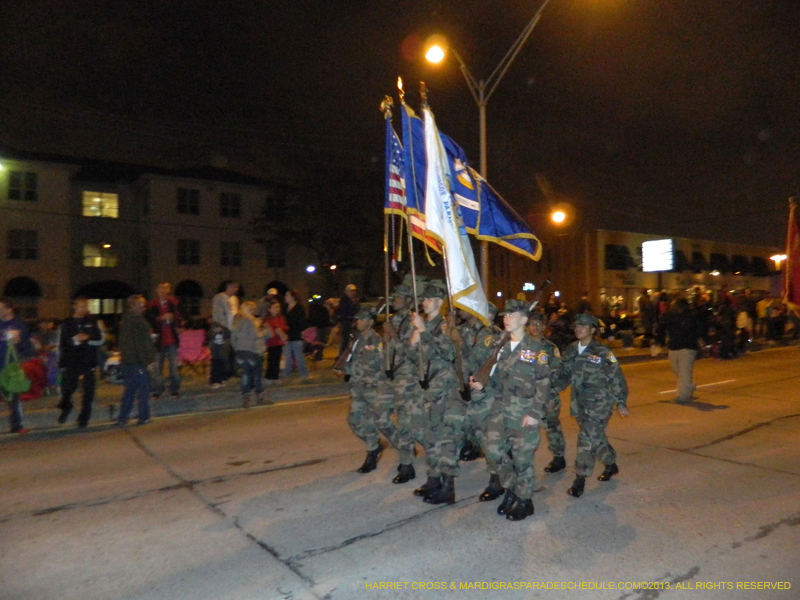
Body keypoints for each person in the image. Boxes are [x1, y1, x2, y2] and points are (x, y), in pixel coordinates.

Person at [469, 299, 551, 521]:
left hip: (524, 411)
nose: (505, 319)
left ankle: (525, 501)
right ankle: (512, 488)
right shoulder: (501, 347)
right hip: (500, 408)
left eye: (511, 315)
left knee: (522, 459)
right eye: (504, 315)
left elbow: (544, 384)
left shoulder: (536, 350)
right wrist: (482, 384)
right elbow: (495, 378)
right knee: (493, 450)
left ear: (524, 319)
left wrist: (535, 413)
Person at [555, 313, 629, 498]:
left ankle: (580, 478)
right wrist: (549, 390)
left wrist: (620, 401)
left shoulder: (603, 352)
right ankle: (610, 464)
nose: (578, 328)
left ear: (593, 329)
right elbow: (563, 375)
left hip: (600, 403)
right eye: (576, 325)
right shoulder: (571, 350)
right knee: (596, 438)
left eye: (583, 325)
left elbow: (616, 376)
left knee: (586, 440)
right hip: (579, 404)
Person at [408, 281, 465, 505]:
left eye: (429, 299)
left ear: (440, 302)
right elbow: (414, 359)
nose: (424, 301)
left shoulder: (444, 326)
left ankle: (448, 487)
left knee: (446, 439)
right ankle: (433, 478)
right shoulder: (421, 326)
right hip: (425, 389)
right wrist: (414, 341)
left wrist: (424, 332)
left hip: (445, 390)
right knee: (427, 435)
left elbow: (449, 351)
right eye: (424, 298)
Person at [339, 307, 401, 474]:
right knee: (355, 421)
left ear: (370, 322)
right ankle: (375, 446)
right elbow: (352, 360)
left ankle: (402, 448)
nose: (357, 321)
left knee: (382, 423)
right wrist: (345, 369)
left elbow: (386, 368)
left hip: (374, 389)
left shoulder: (378, 341)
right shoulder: (356, 340)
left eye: (361, 319)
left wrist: (383, 390)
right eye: (357, 319)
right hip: (358, 388)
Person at [381, 281, 422, 484]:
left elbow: (409, 351)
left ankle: (407, 465)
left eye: (398, 297)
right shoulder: (394, 319)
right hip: (391, 376)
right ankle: (407, 452)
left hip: (407, 378)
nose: (394, 300)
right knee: (381, 417)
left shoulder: (411, 321)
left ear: (408, 301)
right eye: (394, 297)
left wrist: (393, 334)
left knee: (405, 423)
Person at [526, 310, 567, 474]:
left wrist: (551, 395)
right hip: (526, 397)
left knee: (552, 427)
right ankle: (525, 463)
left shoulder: (550, 348)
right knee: (526, 431)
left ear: (543, 327)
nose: (535, 327)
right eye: (532, 324)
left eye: (538, 324)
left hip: (547, 396)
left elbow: (558, 374)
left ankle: (558, 457)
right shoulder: (521, 346)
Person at [57, 297, 105, 428]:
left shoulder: (91, 321)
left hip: (88, 360)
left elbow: (100, 338)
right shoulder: (67, 323)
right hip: (71, 361)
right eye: (81, 306)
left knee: (89, 391)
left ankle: (84, 418)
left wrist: (87, 337)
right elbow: (63, 343)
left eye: (85, 306)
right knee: (67, 389)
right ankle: (66, 407)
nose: (83, 309)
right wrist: (74, 341)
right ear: (74, 307)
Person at [117, 295, 156, 426]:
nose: (144, 307)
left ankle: (123, 417)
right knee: (143, 390)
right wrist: (147, 361)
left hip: (130, 361)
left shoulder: (127, 321)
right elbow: (140, 344)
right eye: (141, 304)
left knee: (130, 390)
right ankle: (143, 416)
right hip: (136, 362)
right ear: (133, 306)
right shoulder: (136, 322)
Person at [0, 298, 35, 434]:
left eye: (0, 308)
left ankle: (17, 425)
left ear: (8, 309)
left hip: (10, 366)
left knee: (13, 396)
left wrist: (18, 341)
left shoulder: (19, 325)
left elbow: (26, 346)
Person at [231, 301, 273, 408]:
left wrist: (237, 348)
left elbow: (233, 338)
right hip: (252, 351)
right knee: (256, 375)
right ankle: (259, 397)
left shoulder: (237, 321)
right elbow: (255, 335)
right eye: (252, 309)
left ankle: (246, 397)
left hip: (240, 352)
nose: (254, 311)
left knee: (246, 374)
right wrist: (262, 330)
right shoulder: (250, 321)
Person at [660, 298, 702, 403]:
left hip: (688, 347)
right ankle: (689, 386)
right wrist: (658, 340)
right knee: (676, 369)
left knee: (684, 371)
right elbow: (661, 327)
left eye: (675, 305)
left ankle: (682, 396)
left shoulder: (691, 316)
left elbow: (698, 329)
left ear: (682, 306)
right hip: (674, 346)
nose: (673, 307)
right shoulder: (669, 316)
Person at [146, 282, 183, 399]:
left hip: (171, 340)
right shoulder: (152, 305)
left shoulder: (173, 303)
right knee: (157, 368)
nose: (163, 291)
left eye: (165, 289)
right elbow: (149, 319)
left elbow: (181, 316)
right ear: (157, 291)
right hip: (158, 340)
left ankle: (174, 389)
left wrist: (177, 322)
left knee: (174, 367)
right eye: (160, 289)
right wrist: (161, 318)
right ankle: (158, 389)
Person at [212, 280, 240, 378]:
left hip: (233, 328)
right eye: (234, 287)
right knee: (222, 352)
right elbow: (216, 313)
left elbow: (235, 313)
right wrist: (219, 326)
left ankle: (232, 371)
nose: (236, 289)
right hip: (223, 328)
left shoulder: (235, 299)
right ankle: (222, 374)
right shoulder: (219, 297)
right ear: (228, 286)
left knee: (233, 351)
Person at [283, 289, 309, 379]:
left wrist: (302, 332)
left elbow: (302, 321)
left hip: (296, 334)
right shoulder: (285, 308)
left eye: (287, 295)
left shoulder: (299, 307)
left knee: (299, 356)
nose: (285, 297)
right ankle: (287, 374)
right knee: (287, 357)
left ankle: (304, 373)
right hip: (286, 335)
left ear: (293, 297)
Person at [263, 301, 288, 386]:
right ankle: (269, 376)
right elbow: (275, 328)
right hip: (272, 342)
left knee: (277, 359)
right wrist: (280, 331)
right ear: (269, 309)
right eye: (275, 307)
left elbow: (284, 327)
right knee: (271, 360)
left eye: (278, 307)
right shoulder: (268, 319)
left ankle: (275, 376)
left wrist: (281, 330)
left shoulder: (281, 317)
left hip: (279, 342)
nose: (277, 309)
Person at [337, 284, 360, 358]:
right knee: (345, 341)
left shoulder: (354, 300)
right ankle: (342, 357)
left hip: (353, 322)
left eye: (354, 291)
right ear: (347, 292)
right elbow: (343, 313)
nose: (353, 293)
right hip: (347, 323)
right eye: (352, 291)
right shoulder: (344, 301)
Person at [207, 322, 231, 389]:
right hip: (215, 354)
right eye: (215, 328)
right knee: (215, 367)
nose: (217, 330)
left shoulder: (225, 333)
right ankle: (215, 381)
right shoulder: (212, 334)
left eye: (218, 328)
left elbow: (228, 335)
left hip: (223, 353)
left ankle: (222, 379)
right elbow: (209, 336)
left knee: (224, 366)